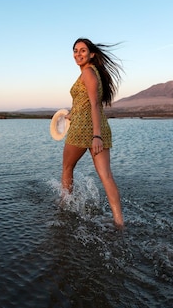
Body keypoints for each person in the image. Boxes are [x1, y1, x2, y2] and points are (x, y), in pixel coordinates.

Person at [62, 38, 125, 228]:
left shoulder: (88, 72)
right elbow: (88, 103)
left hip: (83, 130)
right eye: (75, 50)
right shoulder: (93, 72)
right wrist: (72, 114)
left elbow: (95, 104)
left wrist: (95, 135)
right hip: (97, 126)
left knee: (67, 169)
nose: (78, 54)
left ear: (91, 54)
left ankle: (65, 208)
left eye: (82, 50)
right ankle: (119, 223)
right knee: (106, 176)